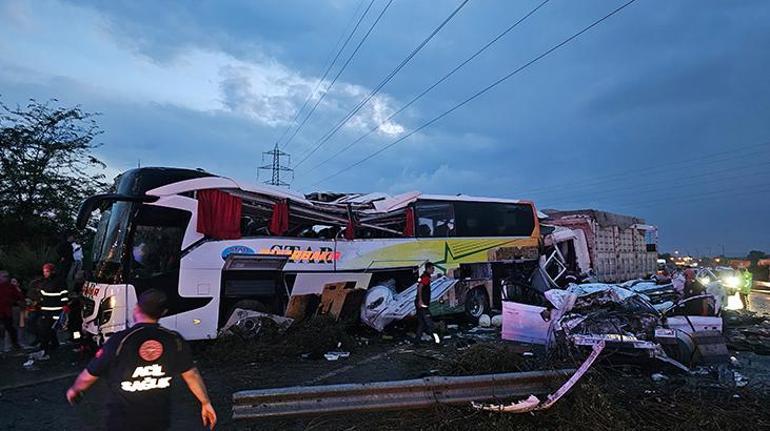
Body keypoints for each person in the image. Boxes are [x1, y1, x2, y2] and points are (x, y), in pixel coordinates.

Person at [66, 289, 217, 431]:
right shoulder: (174, 340)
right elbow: (192, 375)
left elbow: (90, 374)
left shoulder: (120, 340)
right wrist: (205, 402)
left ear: (136, 308)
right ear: (163, 313)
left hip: (122, 421)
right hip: (158, 420)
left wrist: (75, 390)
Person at [31, 263, 68, 357]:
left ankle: (44, 348)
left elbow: (63, 294)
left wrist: (64, 305)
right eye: (44, 271)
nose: (45, 273)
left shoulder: (59, 281)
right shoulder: (45, 281)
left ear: (52, 271)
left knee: (45, 329)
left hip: (55, 309)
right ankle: (53, 345)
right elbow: (42, 294)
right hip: (46, 309)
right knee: (48, 329)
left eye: (47, 271)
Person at [414, 262, 440, 345]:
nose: (433, 270)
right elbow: (420, 287)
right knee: (430, 324)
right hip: (423, 304)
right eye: (432, 268)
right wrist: (420, 300)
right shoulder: (425, 278)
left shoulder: (423, 276)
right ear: (428, 268)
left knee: (421, 323)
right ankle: (437, 341)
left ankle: (417, 341)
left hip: (419, 303)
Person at [0, 270, 24, 350]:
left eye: (7, 276)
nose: (6, 278)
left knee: (10, 328)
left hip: (7, 311)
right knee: (10, 328)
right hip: (4, 310)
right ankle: (13, 344)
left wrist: (15, 301)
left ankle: (14, 344)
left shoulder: (10, 287)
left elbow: (19, 296)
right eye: (4, 276)